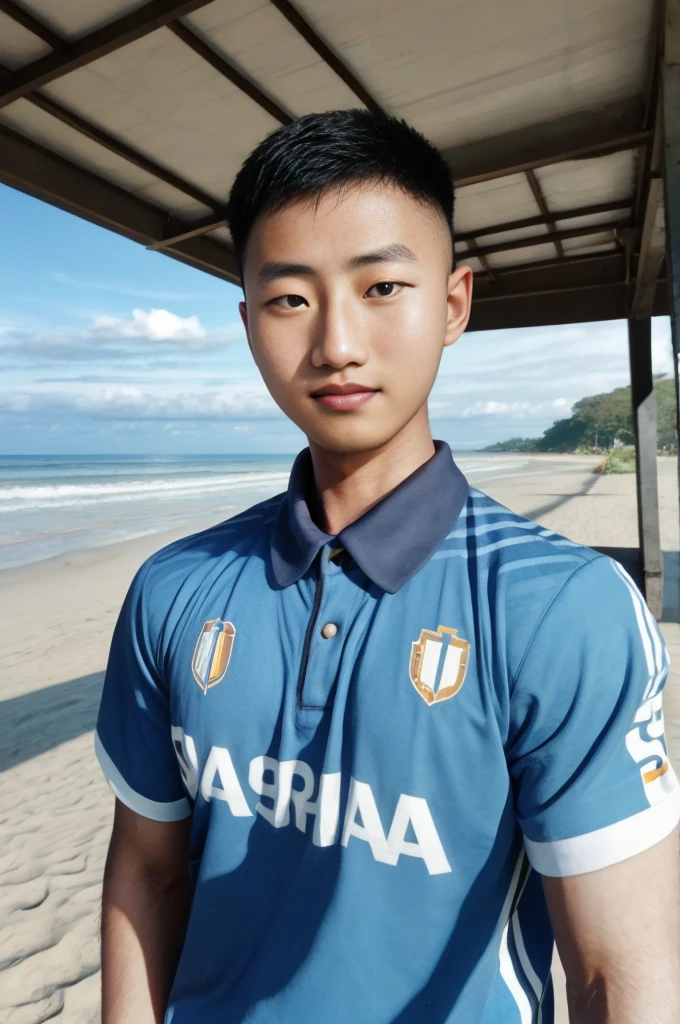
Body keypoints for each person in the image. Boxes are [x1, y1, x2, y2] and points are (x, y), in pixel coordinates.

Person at [95, 110, 680, 1024]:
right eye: (291, 298)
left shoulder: (563, 610)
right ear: (249, 323)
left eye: (381, 287)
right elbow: (146, 869)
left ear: (452, 304)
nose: (335, 343)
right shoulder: (174, 589)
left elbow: (617, 973)